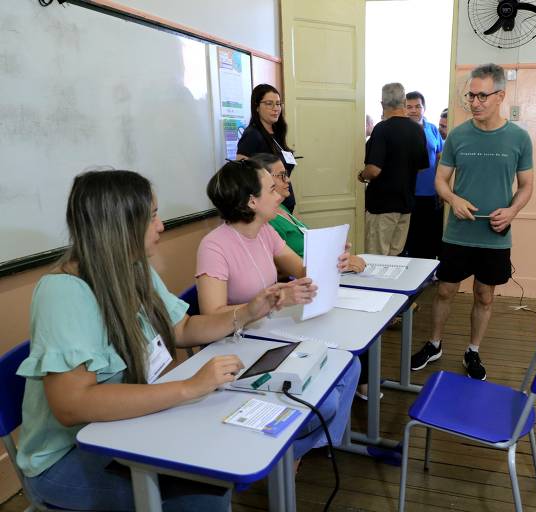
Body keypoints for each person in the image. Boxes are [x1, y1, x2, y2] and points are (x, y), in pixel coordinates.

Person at [15, 169, 299, 511]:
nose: (161, 225)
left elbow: (181, 328)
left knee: (213, 470)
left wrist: (248, 312)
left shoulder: (133, 267)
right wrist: (189, 388)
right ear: (119, 225)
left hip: (126, 426)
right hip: (67, 457)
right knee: (201, 494)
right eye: (151, 217)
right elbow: (72, 405)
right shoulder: (62, 293)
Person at [196, 159, 361, 454]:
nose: (281, 195)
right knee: (328, 399)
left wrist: (334, 259)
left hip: (270, 333)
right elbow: (210, 316)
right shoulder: (214, 246)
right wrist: (267, 303)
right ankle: (293, 455)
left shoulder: (266, 232)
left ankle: (306, 448)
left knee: (349, 364)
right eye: (272, 189)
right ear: (251, 201)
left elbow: (302, 271)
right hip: (239, 344)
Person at [410, 63, 534, 381]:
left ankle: (472, 350)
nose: (475, 102)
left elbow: (527, 186)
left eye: (482, 96)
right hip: (458, 233)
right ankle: (434, 344)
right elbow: (441, 180)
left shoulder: (519, 139)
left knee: (484, 295)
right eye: (471, 96)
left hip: (495, 235)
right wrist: (453, 199)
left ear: (500, 96)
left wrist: (512, 211)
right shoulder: (458, 135)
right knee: (444, 291)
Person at [249, 152, 365, 271]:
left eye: (286, 174)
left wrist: (333, 250)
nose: (288, 180)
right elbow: (282, 269)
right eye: (281, 175)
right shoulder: (266, 221)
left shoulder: (281, 209)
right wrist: (333, 262)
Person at [358, 83, 429, 255]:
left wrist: (361, 176)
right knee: (395, 257)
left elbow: (374, 169)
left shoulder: (382, 129)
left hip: (382, 207)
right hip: (405, 206)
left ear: (382, 103)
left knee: (377, 258)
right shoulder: (417, 130)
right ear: (404, 102)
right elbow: (421, 167)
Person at [237, 84, 297, 213]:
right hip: (268, 209)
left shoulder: (277, 132)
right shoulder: (252, 135)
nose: (276, 109)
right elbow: (242, 174)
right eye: (269, 104)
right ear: (257, 107)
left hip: (284, 205)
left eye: (278, 104)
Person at [402, 91, 444, 260]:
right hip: (407, 194)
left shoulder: (432, 128)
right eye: (409, 107)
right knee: (409, 240)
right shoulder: (401, 129)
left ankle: (425, 278)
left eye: (417, 106)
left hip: (430, 194)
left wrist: (441, 188)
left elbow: (441, 158)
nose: (413, 110)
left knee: (428, 240)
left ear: (424, 108)